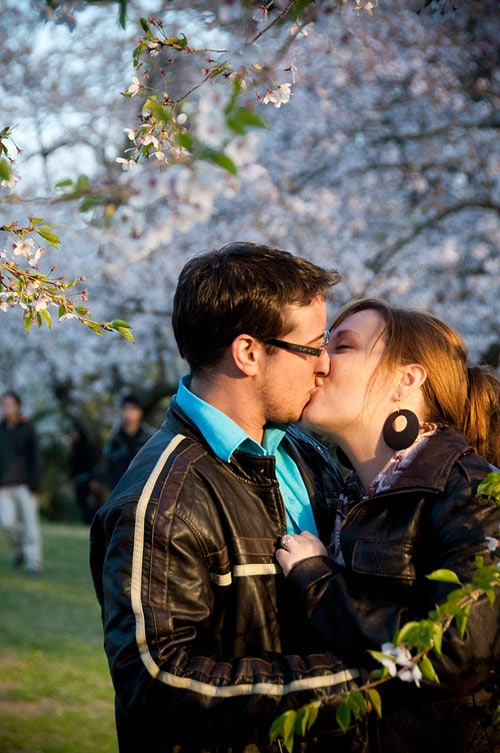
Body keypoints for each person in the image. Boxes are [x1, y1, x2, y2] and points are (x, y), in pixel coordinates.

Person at [90, 243, 365, 753]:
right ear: (248, 353)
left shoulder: (305, 451)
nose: (324, 364)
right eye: (312, 347)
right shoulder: (160, 499)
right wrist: (352, 682)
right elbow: (156, 679)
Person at [276, 298, 500, 753]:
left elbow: (453, 652)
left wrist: (318, 583)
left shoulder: (470, 493)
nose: (319, 362)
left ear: (406, 378)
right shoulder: (344, 496)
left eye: (343, 346)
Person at [0, 391, 43, 575]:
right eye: (3, 404)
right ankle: (21, 550)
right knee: (7, 523)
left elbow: (37, 457)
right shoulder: (0, 430)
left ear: (18, 406)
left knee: (31, 525)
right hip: (3, 486)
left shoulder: (28, 429)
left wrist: (34, 484)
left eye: (9, 404)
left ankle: (33, 563)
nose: (5, 408)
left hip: (25, 485)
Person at [103, 394, 155, 490]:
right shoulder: (113, 442)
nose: (128, 413)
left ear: (140, 412)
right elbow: (109, 470)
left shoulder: (152, 439)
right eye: (125, 409)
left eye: (132, 409)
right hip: (120, 493)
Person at [68, 420, 101, 524]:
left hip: (87, 480)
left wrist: (94, 479)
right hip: (78, 480)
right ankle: (85, 521)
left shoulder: (87, 447)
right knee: (81, 502)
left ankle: (92, 521)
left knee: (89, 502)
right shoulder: (74, 448)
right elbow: (73, 466)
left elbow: (92, 464)